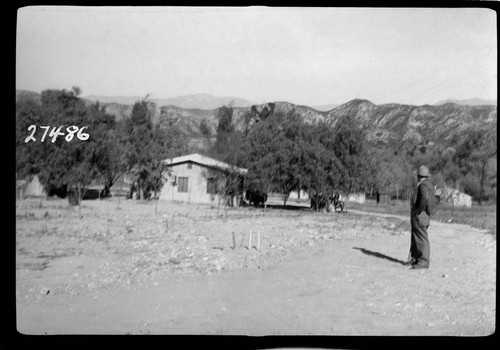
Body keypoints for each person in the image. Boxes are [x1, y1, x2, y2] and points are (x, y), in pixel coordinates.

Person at [404, 165, 435, 269]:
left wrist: (417, 210)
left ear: (418, 176)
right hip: (424, 214)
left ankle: (423, 261)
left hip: (420, 214)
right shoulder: (429, 185)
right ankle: (416, 259)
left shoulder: (423, 186)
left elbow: (424, 200)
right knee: (417, 237)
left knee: (421, 238)